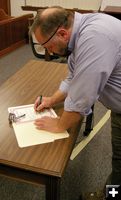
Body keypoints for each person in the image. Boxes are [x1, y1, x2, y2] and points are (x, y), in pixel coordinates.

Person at [30, 6, 121, 190]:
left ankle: (112, 196)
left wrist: (59, 125)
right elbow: (74, 77)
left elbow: (82, 97)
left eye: (48, 46)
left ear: (62, 34)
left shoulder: (93, 38)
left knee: (120, 164)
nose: (50, 51)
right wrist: (51, 100)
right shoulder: (80, 32)